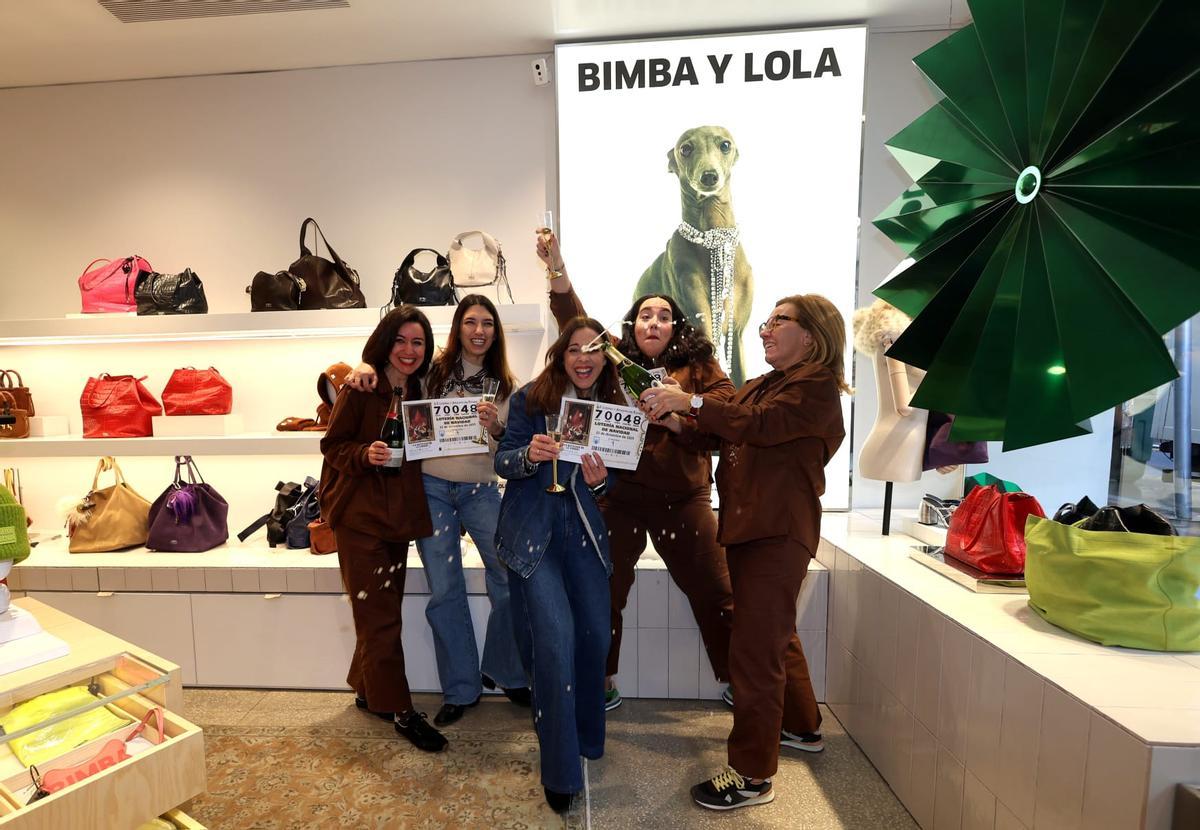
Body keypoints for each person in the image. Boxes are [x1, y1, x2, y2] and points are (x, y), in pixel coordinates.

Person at [641, 293, 850, 811]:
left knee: (754, 652)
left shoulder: (815, 386)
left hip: (776, 532)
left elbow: (757, 426)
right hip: (751, 528)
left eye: (780, 321)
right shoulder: (763, 383)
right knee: (773, 636)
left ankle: (753, 776)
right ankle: (802, 727)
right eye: (767, 320)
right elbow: (727, 426)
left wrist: (686, 401)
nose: (766, 329)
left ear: (813, 334)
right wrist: (679, 422)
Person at [538, 232, 735, 711]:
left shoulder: (698, 364)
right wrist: (556, 266)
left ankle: (738, 678)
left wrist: (682, 405)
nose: (654, 321)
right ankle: (603, 678)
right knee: (602, 587)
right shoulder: (612, 362)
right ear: (633, 324)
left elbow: (728, 411)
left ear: (676, 327)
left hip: (683, 498)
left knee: (717, 589)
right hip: (616, 495)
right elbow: (573, 320)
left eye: (664, 315)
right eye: (646, 314)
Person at [345, 295, 529, 728]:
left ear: (496, 331)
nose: (479, 330)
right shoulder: (432, 371)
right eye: (470, 322)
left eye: (487, 322)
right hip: (432, 490)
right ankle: (460, 689)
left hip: (483, 489)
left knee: (509, 578)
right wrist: (363, 366)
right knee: (445, 590)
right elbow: (392, 367)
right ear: (458, 328)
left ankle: (505, 671)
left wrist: (497, 428)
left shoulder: (507, 384)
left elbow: (510, 448)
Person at [494, 316, 623, 814]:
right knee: (554, 642)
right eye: (574, 349)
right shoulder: (531, 398)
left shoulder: (616, 408)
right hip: (533, 535)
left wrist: (600, 483)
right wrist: (528, 453)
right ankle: (561, 772)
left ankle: (588, 739)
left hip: (586, 537)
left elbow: (621, 487)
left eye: (593, 349)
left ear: (604, 356)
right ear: (561, 355)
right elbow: (502, 462)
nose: (583, 358)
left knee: (594, 638)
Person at [319, 305, 447, 753]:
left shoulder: (419, 390)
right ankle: (401, 710)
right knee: (382, 619)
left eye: (418, 342)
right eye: (401, 341)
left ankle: (365, 687)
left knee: (379, 609)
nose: (409, 350)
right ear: (385, 342)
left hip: (397, 519)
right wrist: (363, 455)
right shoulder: (362, 387)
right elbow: (332, 445)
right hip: (359, 518)